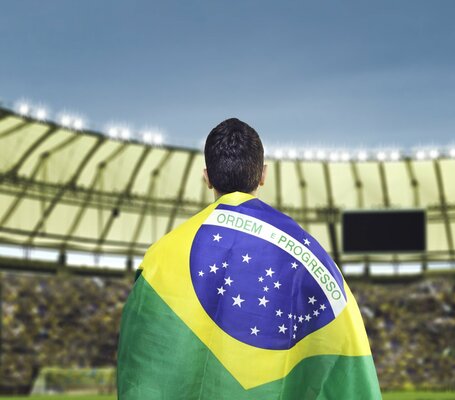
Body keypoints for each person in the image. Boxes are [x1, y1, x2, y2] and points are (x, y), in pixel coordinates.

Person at [117, 118, 380, 399]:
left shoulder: (162, 255)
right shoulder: (311, 258)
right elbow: (346, 360)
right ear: (263, 175)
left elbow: (141, 363)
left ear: (207, 177)